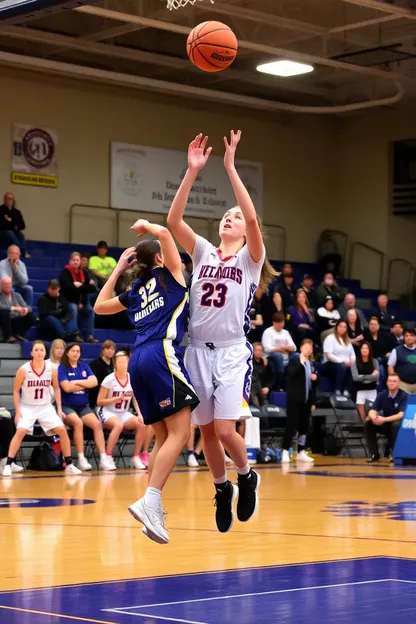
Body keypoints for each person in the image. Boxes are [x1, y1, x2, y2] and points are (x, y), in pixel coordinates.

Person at [167, 131, 277, 534]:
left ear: (247, 234)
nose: (229, 218)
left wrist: (230, 167)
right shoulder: (202, 251)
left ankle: (246, 475)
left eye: (235, 217)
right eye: (225, 215)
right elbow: (174, 221)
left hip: (231, 351)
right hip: (196, 349)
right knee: (207, 432)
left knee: (227, 430)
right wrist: (192, 172)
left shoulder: (250, 260)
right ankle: (221, 488)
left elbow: (251, 217)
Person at [94, 219, 199, 545]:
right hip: (161, 354)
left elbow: (99, 306)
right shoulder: (171, 277)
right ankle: (150, 499)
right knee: (181, 435)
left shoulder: (136, 290)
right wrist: (148, 226)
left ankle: (151, 507)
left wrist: (119, 268)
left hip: (136, 358)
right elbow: (167, 233)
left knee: (162, 436)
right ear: (160, 259)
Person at [2, 341, 81, 477]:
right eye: (36, 350)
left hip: (45, 406)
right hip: (27, 406)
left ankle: (69, 464)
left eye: (41, 350)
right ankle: (8, 464)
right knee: (20, 431)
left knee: (62, 430)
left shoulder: (52, 368)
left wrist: (59, 409)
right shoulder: (23, 369)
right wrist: (18, 411)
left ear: (45, 352)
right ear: (32, 353)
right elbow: (15, 391)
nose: (39, 353)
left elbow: (56, 387)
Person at [58, 343, 114, 471]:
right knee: (78, 423)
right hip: (67, 406)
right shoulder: (62, 368)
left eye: (78, 351)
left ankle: (103, 458)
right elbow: (66, 387)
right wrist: (85, 384)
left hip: (83, 406)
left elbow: (94, 382)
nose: (76, 353)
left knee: (97, 424)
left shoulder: (84, 366)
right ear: (67, 353)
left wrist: (77, 382)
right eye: (73, 351)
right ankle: (81, 458)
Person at [97, 350, 146, 470]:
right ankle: (107, 457)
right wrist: (114, 399)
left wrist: (140, 414)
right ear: (115, 364)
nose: (123, 364)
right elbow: (99, 401)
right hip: (107, 411)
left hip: (123, 413)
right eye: (120, 362)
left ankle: (136, 457)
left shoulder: (132, 378)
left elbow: (135, 399)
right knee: (118, 425)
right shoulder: (109, 379)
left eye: (125, 361)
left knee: (142, 424)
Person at [281, 339, 317, 464]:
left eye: (310, 347)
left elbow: (313, 385)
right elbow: (291, 373)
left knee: (304, 426)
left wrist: (313, 401)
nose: (308, 349)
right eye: (306, 346)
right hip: (294, 399)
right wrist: (301, 365)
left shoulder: (311, 363)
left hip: (306, 400)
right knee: (291, 425)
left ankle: (301, 451)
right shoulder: (295, 359)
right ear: (301, 348)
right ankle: (285, 450)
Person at [365, 373, 407, 462]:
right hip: (386, 423)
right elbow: (372, 410)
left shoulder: (404, 396)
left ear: (399, 383)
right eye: (390, 381)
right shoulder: (382, 395)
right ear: (387, 383)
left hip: (400, 425)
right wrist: (374, 418)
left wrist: (383, 419)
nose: (392, 383)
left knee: (395, 425)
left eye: (394, 381)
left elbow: (401, 415)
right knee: (369, 423)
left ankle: (394, 453)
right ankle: (374, 454)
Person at [59, 252, 99, 343]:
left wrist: (80, 286)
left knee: (90, 310)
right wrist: (83, 287)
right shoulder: (65, 272)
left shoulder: (83, 273)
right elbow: (67, 289)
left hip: (82, 301)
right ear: (70, 261)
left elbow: (92, 288)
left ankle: (89, 335)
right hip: (67, 301)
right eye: (73, 260)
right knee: (73, 308)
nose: (76, 262)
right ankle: (74, 334)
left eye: (77, 260)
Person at [261, 311, 296, 387]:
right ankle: (279, 381)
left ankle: (293, 382)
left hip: (286, 358)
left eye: (281, 322)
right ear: (273, 322)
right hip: (271, 358)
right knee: (278, 355)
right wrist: (281, 349)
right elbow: (267, 348)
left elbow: (294, 348)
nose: (280, 325)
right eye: (277, 322)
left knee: (297, 356)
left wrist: (282, 347)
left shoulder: (286, 332)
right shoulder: (268, 332)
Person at [322, 320, 356, 396]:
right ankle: (337, 389)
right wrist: (342, 361)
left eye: (344, 327)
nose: (342, 328)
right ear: (336, 327)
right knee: (342, 367)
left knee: (352, 367)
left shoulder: (347, 340)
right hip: (330, 364)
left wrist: (351, 362)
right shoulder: (330, 338)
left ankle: (347, 390)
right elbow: (329, 355)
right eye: (340, 326)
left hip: (345, 364)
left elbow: (352, 354)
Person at [0, 276, 35, 342]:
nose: (7, 286)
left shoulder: (17, 295)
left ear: (11, 285)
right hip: (3, 320)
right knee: (4, 312)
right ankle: (9, 336)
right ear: (1, 285)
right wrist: (13, 308)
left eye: (9, 284)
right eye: (5, 284)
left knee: (31, 316)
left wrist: (25, 310)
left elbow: (28, 307)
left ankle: (18, 334)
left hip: (15, 320)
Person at [352, 342, 379, 422]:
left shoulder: (374, 362)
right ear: (360, 350)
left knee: (372, 414)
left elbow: (376, 377)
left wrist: (363, 377)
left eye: (366, 348)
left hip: (372, 390)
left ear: (369, 350)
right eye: (363, 348)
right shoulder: (355, 362)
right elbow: (355, 378)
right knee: (362, 417)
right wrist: (370, 376)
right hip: (360, 391)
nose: (364, 350)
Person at [89, 340, 116, 408]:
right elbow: (94, 385)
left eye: (112, 349)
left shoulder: (115, 364)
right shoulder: (94, 364)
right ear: (102, 350)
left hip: (112, 397)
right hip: (97, 398)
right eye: (107, 348)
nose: (110, 351)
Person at [387, 328, 416, 394]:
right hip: (402, 384)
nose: (409, 338)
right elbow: (390, 366)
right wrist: (394, 381)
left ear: (415, 337)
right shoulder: (397, 350)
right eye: (407, 336)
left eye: (411, 335)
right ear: (404, 337)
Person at [0, 192, 28, 257]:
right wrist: (13, 225)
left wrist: (10, 222)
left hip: (14, 231)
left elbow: (22, 225)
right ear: (5, 200)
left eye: (11, 199)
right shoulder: (1, 210)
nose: (10, 200)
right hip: (3, 232)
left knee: (21, 235)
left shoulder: (17, 212)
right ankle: (21, 252)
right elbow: (1, 224)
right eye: (8, 198)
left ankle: (22, 251)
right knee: (10, 233)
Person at [250, 342, 275, 408]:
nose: (258, 352)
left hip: (263, 389)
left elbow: (272, 378)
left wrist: (268, 387)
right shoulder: (249, 363)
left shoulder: (267, 363)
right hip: (252, 389)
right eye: (256, 350)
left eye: (260, 350)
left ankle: (263, 409)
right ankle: (257, 408)